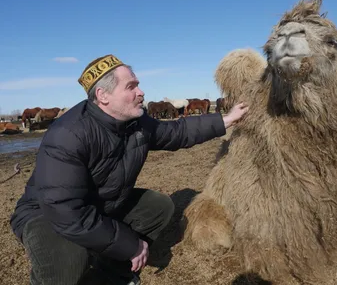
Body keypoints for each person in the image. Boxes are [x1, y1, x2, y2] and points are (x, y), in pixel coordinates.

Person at [9, 54, 248, 285]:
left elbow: (177, 132)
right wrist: (130, 245)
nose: (141, 92)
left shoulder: (136, 124)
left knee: (158, 207)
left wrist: (226, 119)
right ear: (103, 96)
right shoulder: (68, 135)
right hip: (46, 214)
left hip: (99, 203)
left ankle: (112, 273)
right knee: (69, 258)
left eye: (139, 85)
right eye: (131, 86)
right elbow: (66, 213)